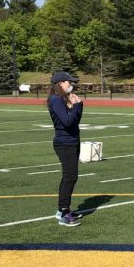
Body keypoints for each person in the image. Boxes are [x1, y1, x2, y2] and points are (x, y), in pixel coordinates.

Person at [47, 70, 83, 226]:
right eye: (69, 82)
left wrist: (79, 105)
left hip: (72, 141)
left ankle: (63, 210)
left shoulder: (62, 99)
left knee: (71, 176)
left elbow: (75, 121)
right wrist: (74, 107)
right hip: (64, 143)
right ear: (60, 83)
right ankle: (63, 212)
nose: (71, 85)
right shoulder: (56, 100)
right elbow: (67, 122)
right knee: (70, 177)